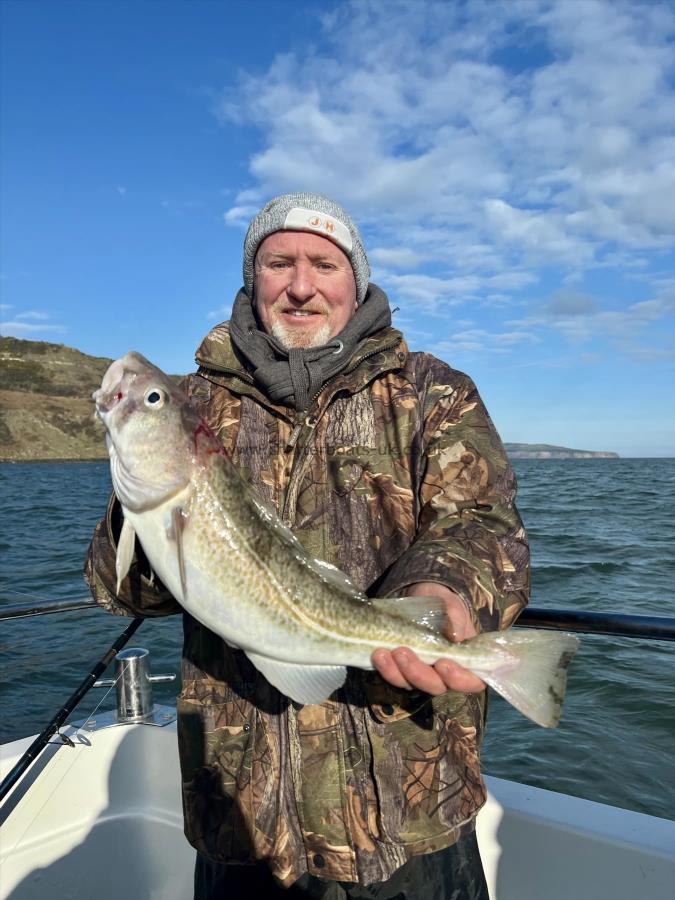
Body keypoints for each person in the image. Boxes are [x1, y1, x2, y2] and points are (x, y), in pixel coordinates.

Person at [85, 192, 530, 899]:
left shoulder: (432, 392)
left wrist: (444, 585)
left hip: (406, 806)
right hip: (241, 814)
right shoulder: (199, 405)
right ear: (250, 278)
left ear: (354, 280)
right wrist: (139, 505)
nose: (300, 285)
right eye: (277, 262)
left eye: (323, 263)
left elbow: (482, 523)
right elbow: (121, 592)